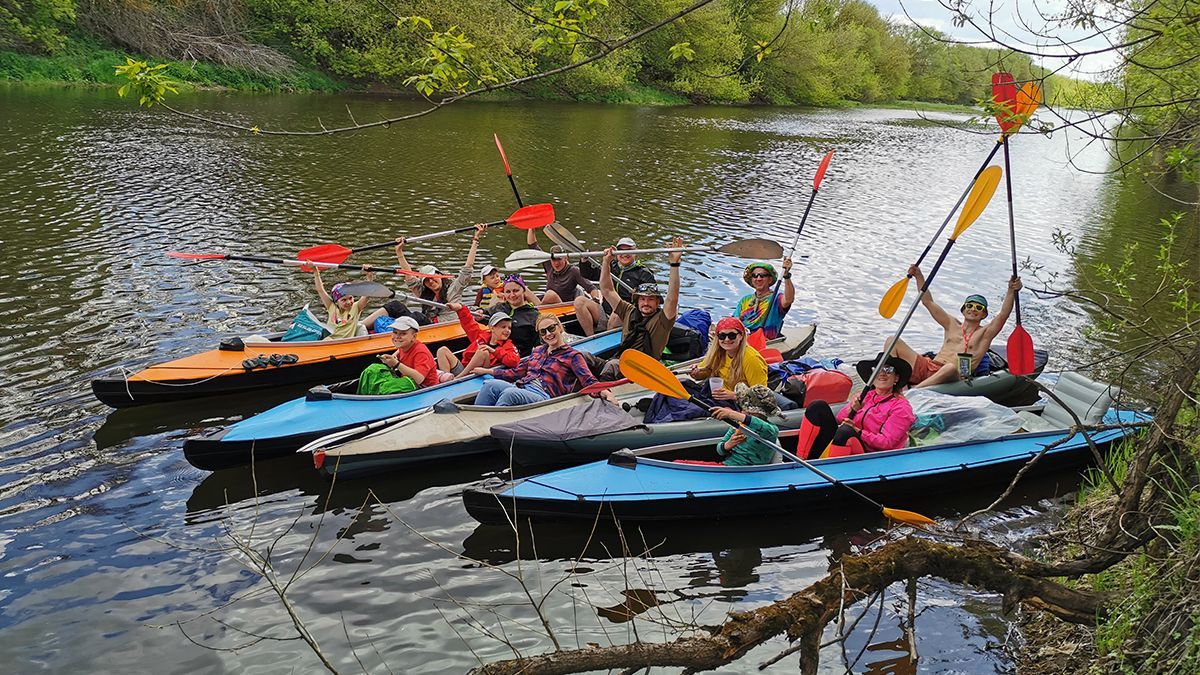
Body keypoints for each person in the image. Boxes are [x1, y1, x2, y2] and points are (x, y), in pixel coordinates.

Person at [885, 265, 1023, 387]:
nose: (973, 309)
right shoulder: (951, 323)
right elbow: (927, 302)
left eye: (979, 307)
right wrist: (919, 276)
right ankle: (888, 380)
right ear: (963, 310)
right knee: (892, 341)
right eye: (969, 305)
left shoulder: (985, 333)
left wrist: (1011, 290)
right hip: (929, 366)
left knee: (950, 367)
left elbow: (1003, 314)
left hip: (952, 377)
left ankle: (914, 391)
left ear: (984, 314)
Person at [590, 238, 682, 379]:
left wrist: (674, 264)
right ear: (637, 301)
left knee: (612, 366)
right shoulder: (629, 311)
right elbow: (607, 289)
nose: (646, 303)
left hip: (644, 369)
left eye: (651, 299)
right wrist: (606, 261)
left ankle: (602, 393)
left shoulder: (663, 320)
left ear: (657, 302)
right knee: (582, 357)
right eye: (643, 299)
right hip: (620, 360)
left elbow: (672, 298)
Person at [472, 312, 606, 406]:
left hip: (544, 395)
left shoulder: (573, 356)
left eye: (551, 328)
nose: (548, 334)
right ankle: (474, 423)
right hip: (523, 386)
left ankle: (491, 428)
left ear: (559, 328)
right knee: (490, 385)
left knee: (509, 393)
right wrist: (488, 371)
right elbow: (517, 372)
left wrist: (604, 391)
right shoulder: (537, 351)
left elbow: (588, 380)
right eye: (543, 331)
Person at [799, 353, 915, 458]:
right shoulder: (865, 395)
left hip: (872, 455)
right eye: (877, 369)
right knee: (817, 406)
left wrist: (858, 432)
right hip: (849, 443)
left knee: (845, 432)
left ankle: (831, 472)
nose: (882, 374)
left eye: (888, 370)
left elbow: (887, 443)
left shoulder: (901, 407)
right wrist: (852, 409)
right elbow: (840, 419)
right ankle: (802, 459)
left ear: (896, 378)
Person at [393, 223, 486, 323]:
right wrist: (399, 252)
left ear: (440, 275)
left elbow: (468, 267)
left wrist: (475, 239)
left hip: (448, 326)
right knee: (394, 306)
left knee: (416, 317)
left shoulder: (454, 288)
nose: (431, 281)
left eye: (433, 277)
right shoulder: (423, 293)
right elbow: (408, 275)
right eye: (427, 281)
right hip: (429, 326)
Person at [526, 228, 605, 335]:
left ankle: (536, 313)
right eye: (554, 260)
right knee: (523, 288)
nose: (556, 263)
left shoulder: (574, 271)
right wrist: (531, 229)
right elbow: (533, 246)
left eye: (559, 259)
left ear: (565, 259)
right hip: (547, 306)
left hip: (563, 307)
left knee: (550, 294)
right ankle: (532, 311)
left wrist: (596, 300)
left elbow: (591, 288)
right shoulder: (549, 265)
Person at [688, 317, 768, 403]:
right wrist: (696, 373)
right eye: (722, 336)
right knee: (685, 384)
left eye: (732, 335)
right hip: (718, 395)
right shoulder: (717, 353)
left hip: (738, 403)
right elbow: (705, 372)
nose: (726, 340)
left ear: (741, 336)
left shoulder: (752, 359)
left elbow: (761, 396)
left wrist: (735, 395)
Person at [435, 302, 519, 381]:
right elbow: (468, 323)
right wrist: (460, 308)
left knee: (483, 351)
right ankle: (446, 378)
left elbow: (514, 362)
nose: (507, 330)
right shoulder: (481, 335)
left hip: (481, 373)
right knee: (442, 350)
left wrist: (493, 351)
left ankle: (456, 380)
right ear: (492, 328)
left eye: (509, 328)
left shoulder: (509, 345)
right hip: (465, 368)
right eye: (503, 327)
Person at [356, 317, 439, 395]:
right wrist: (392, 358)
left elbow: (419, 379)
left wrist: (397, 364)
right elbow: (398, 353)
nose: (397, 337)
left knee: (386, 387)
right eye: (395, 332)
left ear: (414, 337)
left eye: (403, 333)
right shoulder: (404, 346)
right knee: (372, 370)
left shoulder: (421, 352)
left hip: (423, 387)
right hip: (407, 380)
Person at [710, 384, 783, 466]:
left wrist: (731, 414)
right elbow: (719, 450)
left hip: (749, 471)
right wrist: (728, 444)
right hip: (728, 466)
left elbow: (759, 425)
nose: (743, 411)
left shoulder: (770, 430)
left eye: (747, 410)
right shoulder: (738, 425)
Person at [603, 237, 658, 330]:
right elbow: (589, 274)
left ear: (635, 252)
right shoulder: (611, 265)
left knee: (616, 315)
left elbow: (649, 299)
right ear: (616, 252)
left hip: (628, 312)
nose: (624, 253)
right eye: (620, 251)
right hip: (605, 309)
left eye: (629, 250)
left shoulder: (644, 273)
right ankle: (589, 337)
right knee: (580, 302)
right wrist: (585, 260)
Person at [734, 258, 794, 340]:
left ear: (770, 279)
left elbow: (788, 300)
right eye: (755, 276)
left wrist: (786, 276)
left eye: (762, 276)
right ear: (751, 280)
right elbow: (735, 320)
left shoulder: (776, 298)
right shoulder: (745, 300)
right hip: (743, 339)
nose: (758, 279)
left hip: (766, 343)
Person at [486, 274, 543, 356]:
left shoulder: (534, 316)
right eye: (508, 292)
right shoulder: (499, 307)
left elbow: (540, 347)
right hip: (493, 354)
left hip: (517, 359)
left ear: (523, 291)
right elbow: (482, 315)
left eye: (516, 291)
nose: (512, 295)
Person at [313, 265, 373, 340]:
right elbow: (320, 290)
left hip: (346, 344)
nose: (348, 302)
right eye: (344, 300)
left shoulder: (356, 307)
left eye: (350, 298)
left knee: (360, 326)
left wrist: (369, 276)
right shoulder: (331, 306)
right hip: (329, 342)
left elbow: (368, 294)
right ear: (336, 302)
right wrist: (315, 271)